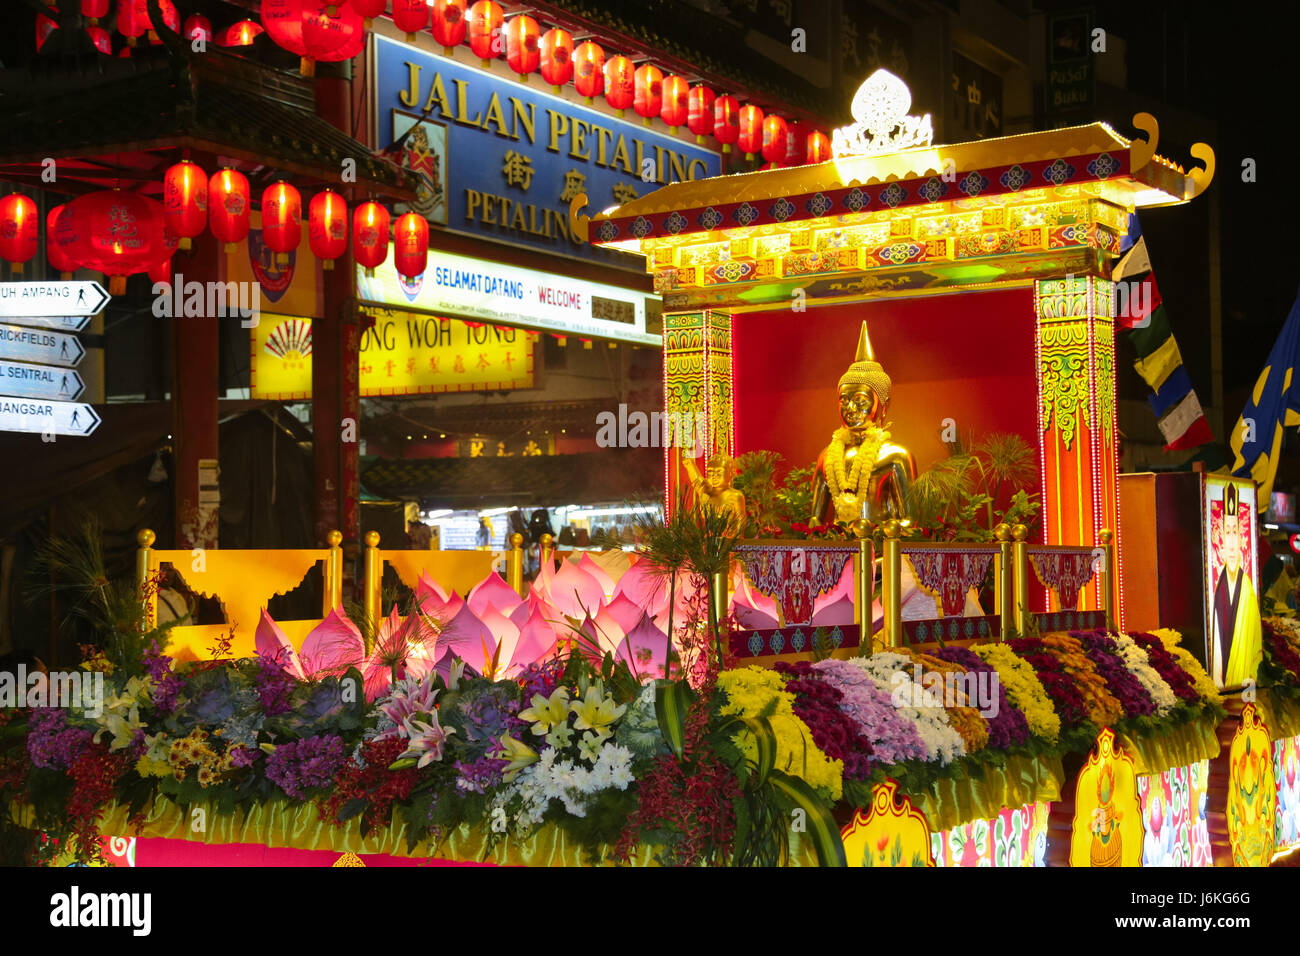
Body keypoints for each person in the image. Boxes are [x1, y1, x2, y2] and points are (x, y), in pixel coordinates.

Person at [810, 321, 916, 525]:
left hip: (882, 552)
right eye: (844, 401)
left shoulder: (896, 456)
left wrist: (882, 535)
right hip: (838, 549)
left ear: (883, 406)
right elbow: (815, 519)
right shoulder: (828, 457)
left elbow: (911, 521)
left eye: (860, 401)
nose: (851, 409)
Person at [1211, 483, 1263, 688]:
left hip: (1246, 687)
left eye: (1235, 531)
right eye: (1227, 531)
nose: (1231, 542)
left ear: (1241, 536)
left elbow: (1255, 648)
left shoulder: (1248, 589)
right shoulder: (1216, 587)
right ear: (1221, 537)